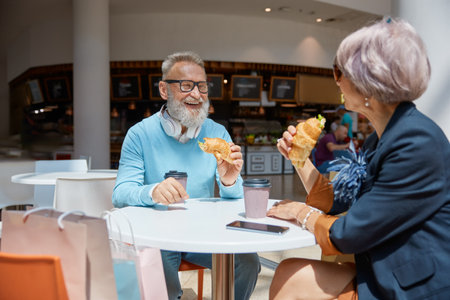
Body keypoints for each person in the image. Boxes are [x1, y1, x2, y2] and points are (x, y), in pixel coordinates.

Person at [269, 17, 450, 299]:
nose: (336, 80)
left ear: (369, 81)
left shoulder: (416, 142)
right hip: (380, 268)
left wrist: (301, 212)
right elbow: (339, 201)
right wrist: (300, 158)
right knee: (289, 271)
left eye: (340, 71)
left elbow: (349, 234)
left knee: (294, 278)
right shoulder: (382, 136)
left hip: (413, 286)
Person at [112, 51, 260, 300]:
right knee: (158, 267)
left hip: (203, 231)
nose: (197, 94)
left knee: (247, 261)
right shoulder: (139, 134)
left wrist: (229, 180)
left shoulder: (218, 133)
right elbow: (121, 193)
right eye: (186, 85)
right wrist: (153, 191)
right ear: (163, 90)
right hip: (157, 235)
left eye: (202, 87)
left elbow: (234, 198)